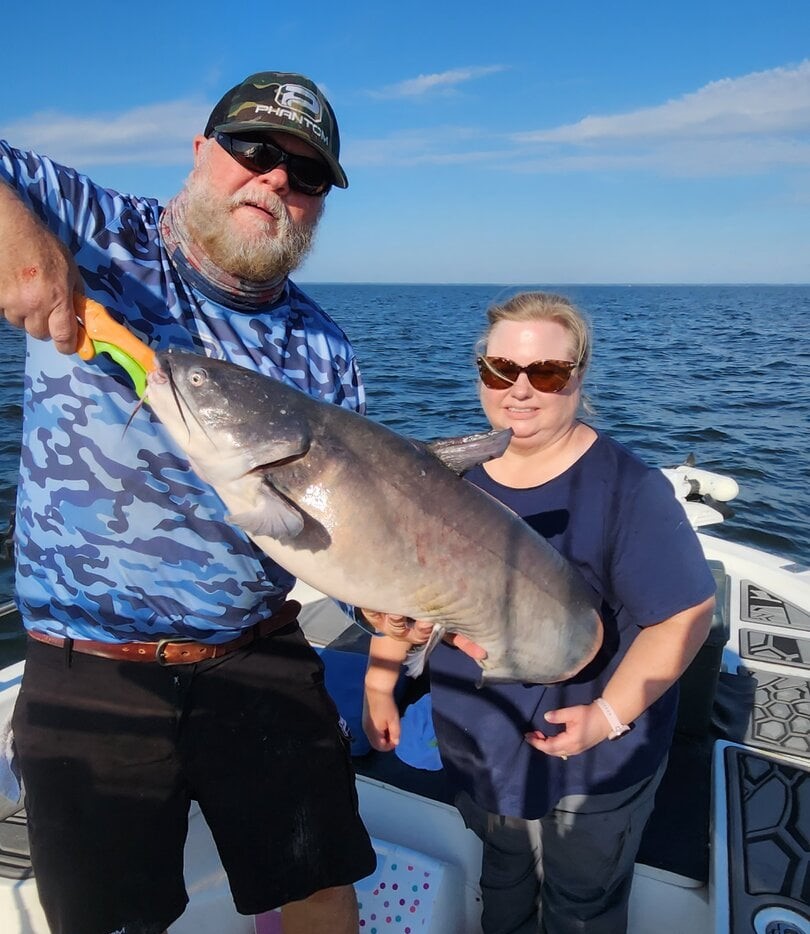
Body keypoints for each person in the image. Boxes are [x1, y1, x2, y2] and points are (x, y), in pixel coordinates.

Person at [0, 71, 376, 934]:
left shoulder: (325, 348)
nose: (275, 178)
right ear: (202, 150)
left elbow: (342, 527)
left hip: (257, 649)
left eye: (306, 173)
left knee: (323, 886)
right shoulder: (97, 231)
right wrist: (20, 237)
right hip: (92, 665)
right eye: (255, 149)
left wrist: (394, 610)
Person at [362, 291, 717, 934]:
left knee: (582, 901)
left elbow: (685, 614)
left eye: (547, 372)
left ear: (579, 375)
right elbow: (401, 591)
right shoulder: (443, 475)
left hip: (594, 758)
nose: (520, 389)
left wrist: (608, 717)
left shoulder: (629, 489)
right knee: (502, 875)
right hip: (478, 740)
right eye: (501, 369)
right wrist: (379, 682)